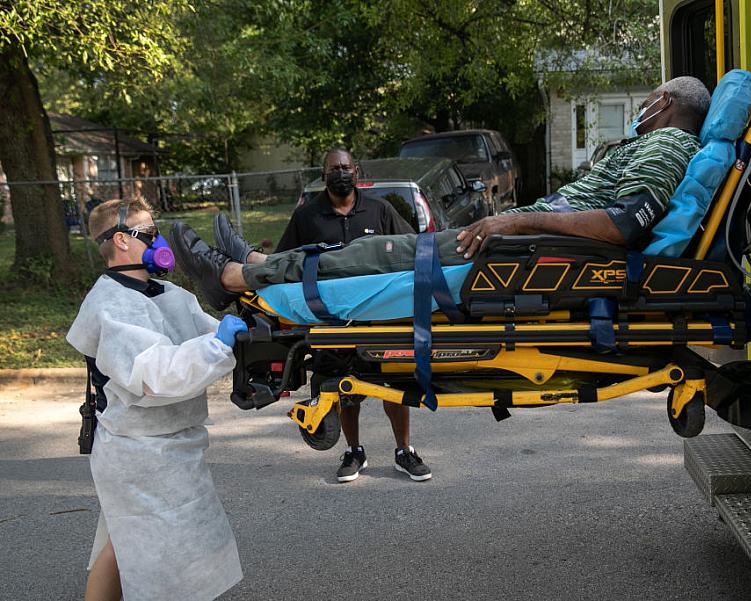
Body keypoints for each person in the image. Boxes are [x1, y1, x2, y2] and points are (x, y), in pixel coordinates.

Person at [172, 76, 710, 306]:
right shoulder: (651, 148)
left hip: (528, 249)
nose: (644, 105)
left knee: (373, 253)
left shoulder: (666, 148)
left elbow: (623, 226)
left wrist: (514, 221)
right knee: (375, 254)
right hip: (522, 242)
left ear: (664, 105)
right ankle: (261, 262)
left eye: (651, 98)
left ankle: (234, 276)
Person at [67, 198, 247, 601]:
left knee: (123, 541)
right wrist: (215, 347)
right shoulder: (110, 305)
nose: (159, 241)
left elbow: (209, 334)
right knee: (160, 563)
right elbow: (154, 375)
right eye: (149, 233)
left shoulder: (166, 292)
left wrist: (235, 337)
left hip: (171, 445)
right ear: (120, 241)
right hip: (140, 452)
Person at [251, 147, 431, 484]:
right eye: (334, 168)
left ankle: (404, 452)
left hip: (381, 319)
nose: (341, 172)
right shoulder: (307, 217)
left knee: (395, 385)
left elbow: (413, 249)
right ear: (324, 176)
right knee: (344, 389)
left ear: (357, 171)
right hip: (330, 321)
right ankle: (354, 451)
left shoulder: (380, 211)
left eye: (346, 167)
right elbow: (285, 261)